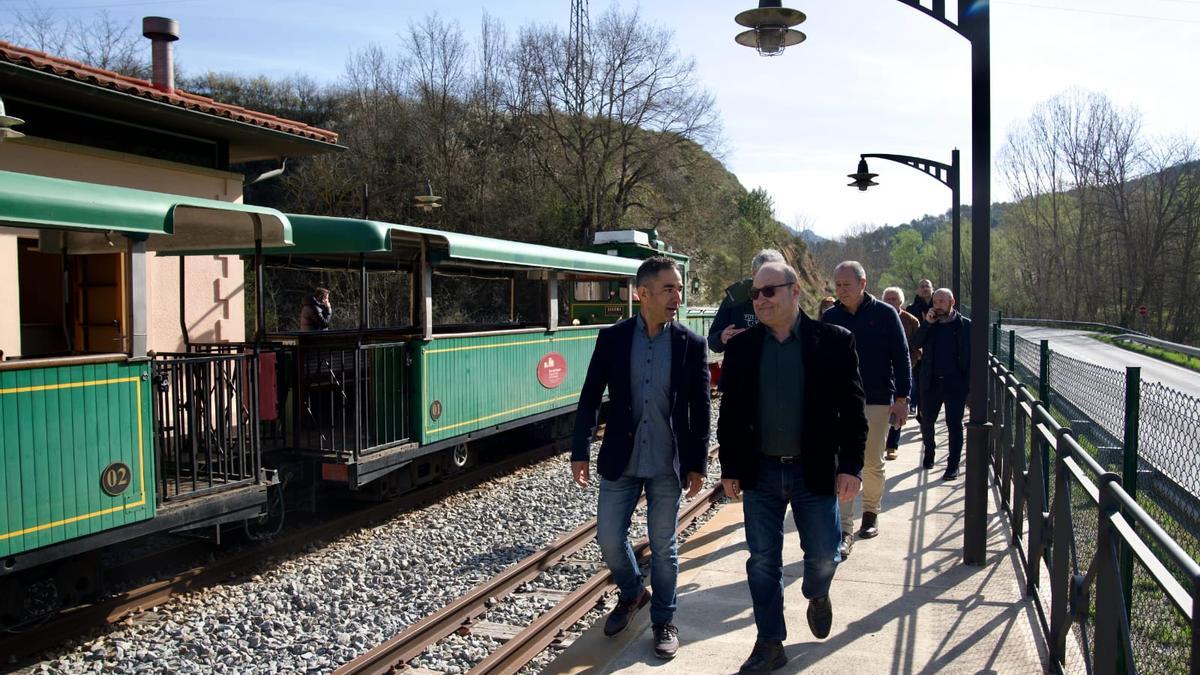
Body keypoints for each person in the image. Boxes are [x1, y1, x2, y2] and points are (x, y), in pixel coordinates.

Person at [718, 261, 867, 674]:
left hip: (814, 470)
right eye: (755, 294)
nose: (760, 300)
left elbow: (854, 411)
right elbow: (729, 414)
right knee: (762, 560)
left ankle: (817, 592)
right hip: (761, 471)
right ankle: (770, 642)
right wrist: (730, 467)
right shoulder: (743, 347)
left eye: (769, 291)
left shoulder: (834, 341)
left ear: (795, 290)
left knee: (823, 554)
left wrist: (852, 466)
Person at [571, 256, 711, 660]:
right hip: (622, 459)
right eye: (669, 289)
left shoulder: (690, 343)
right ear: (643, 294)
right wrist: (579, 450)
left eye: (679, 289)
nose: (677, 297)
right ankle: (633, 593)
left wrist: (697, 462)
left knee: (664, 546)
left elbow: (700, 409)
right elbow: (590, 396)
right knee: (609, 539)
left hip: (667, 463)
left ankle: (664, 619)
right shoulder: (612, 339)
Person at [822, 261, 911, 558]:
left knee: (871, 460)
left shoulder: (885, 314)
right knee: (842, 463)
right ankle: (844, 529)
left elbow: (901, 356)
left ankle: (871, 513)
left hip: (876, 398)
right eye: (837, 285)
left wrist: (902, 399)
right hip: (839, 401)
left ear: (863, 283)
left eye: (846, 284)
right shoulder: (830, 316)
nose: (841, 290)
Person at [910, 288, 971, 480]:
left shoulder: (965, 326)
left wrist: (968, 384)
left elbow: (972, 356)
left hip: (955, 383)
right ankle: (930, 451)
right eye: (935, 302)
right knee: (927, 421)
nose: (938, 306)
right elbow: (914, 343)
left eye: (942, 302)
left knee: (954, 424)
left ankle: (952, 465)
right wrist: (927, 324)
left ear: (952, 301)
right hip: (931, 382)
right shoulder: (930, 324)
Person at [707, 249, 786, 354]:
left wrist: (751, 336)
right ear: (754, 274)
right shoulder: (735, 298)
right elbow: (712, 342)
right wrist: (722, 337)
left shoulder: (788, 300)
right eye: (764, 274)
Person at [881, 287, 921, 461]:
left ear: (900, 302)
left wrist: (909, 365)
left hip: (902, 370)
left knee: (898, 406)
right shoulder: (877, 317)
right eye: (887, 299)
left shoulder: (910, 320)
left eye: (893, 299)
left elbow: (917, 348)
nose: (890, 302)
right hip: (882, 371)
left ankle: (892, 445)